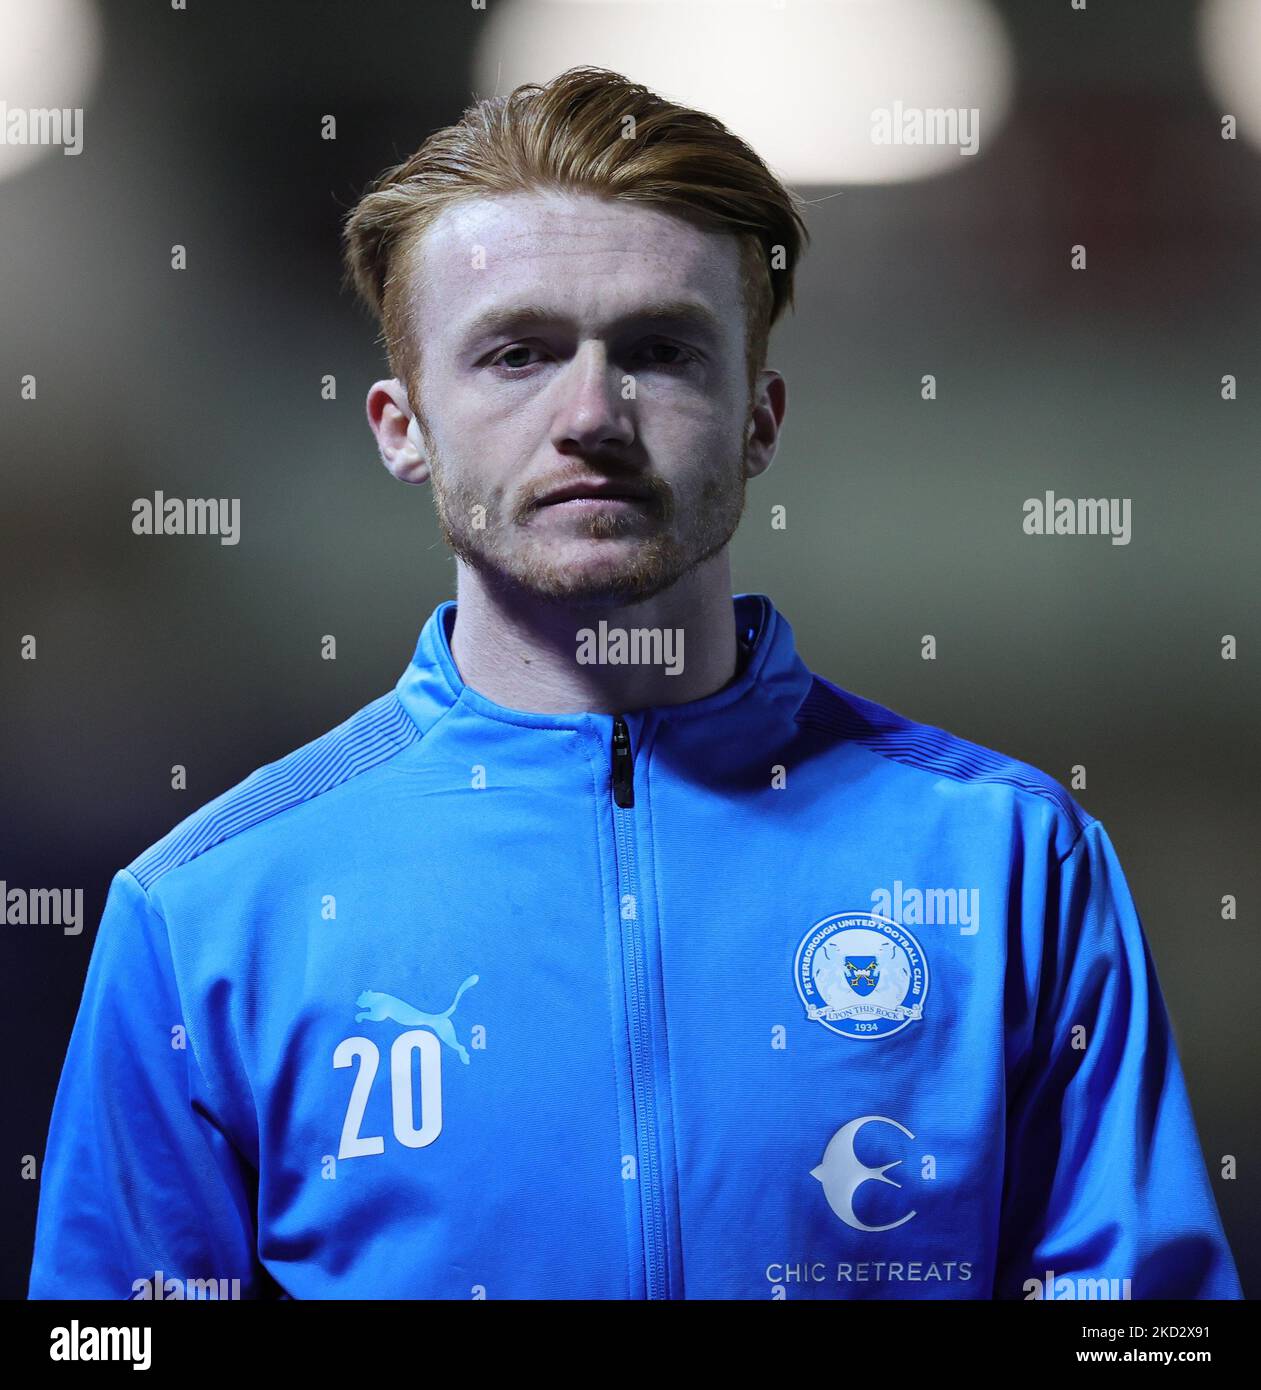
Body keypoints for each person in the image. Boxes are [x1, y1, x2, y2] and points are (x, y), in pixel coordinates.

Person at [28, 66, 1242, 1301]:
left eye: (659, 351)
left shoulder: (1012, 865)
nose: (591, 414)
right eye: (516, 354)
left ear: (759, 416)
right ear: (402, 426)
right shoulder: (205, 916)